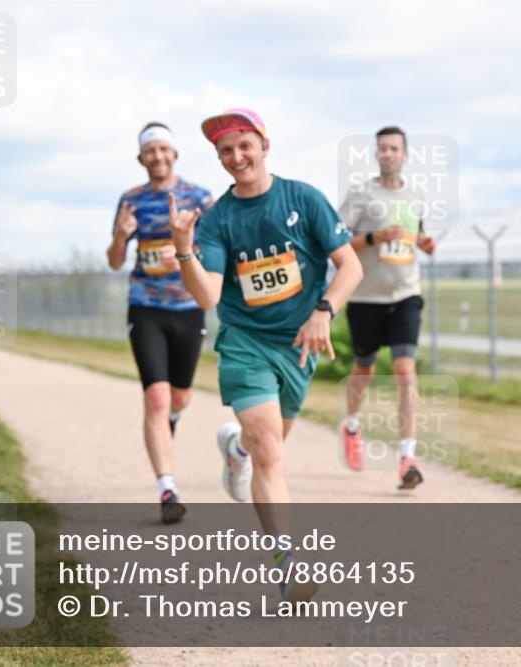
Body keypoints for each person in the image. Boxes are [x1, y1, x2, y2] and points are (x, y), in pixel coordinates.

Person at [169, 108, 363, 602]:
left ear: (264, 144)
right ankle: (287, 567)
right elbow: (208, 297)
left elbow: (350, 268)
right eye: (225, 151)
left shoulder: (303, 198)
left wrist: (324, 310)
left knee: (267, 447)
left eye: (244, 145)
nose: (236, 157)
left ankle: (236, 451)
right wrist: (185, 249)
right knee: (272, 452)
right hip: (245, 343)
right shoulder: (218, 221)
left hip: (298, 347)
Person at [106, 121, 214, 524]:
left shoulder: (200, 197)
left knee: (179, 398)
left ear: (175, 154)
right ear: (141, 158)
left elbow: (219, 251)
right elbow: (115, 260)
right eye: (150, 151)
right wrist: (120, 237)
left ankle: (169, 422)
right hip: (145, 305)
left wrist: (187, 252)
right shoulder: (130, 200)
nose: (157, 157)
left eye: (163, 150)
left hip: (188, 307)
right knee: (155, 395)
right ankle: (167, 488)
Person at [337, 126, 436, 489]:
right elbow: (337, 241)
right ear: (377, 155)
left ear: (405, 154)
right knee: (363, 370)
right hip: (366, 299)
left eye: (394, 148)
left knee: (405, 372)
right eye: (382, 149)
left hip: (405, 295)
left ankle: (407, 458)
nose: (388, 154)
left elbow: (416, 235)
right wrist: (374, 237)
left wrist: (425, 242)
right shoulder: (361, 195)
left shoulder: (418, 194)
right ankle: (351, 424)